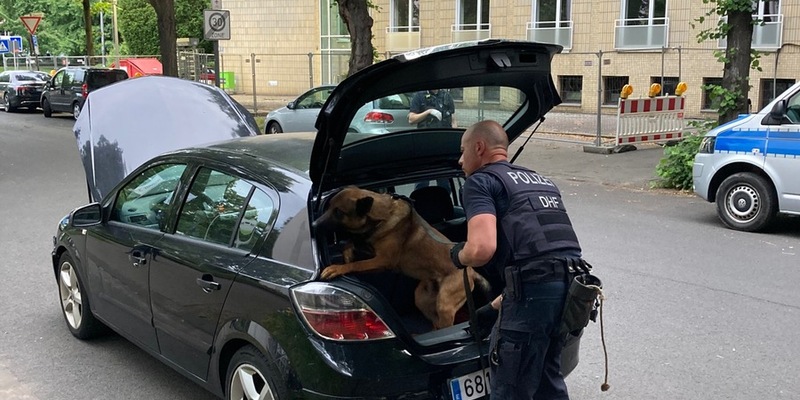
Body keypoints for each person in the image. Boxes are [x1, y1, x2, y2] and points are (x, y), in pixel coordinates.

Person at [449, 120, 583, 400]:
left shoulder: (480, 182)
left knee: (510, 389)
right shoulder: (540, 181)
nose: (460, 160)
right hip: (572, 290)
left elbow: (482, 248)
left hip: (535, 295)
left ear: (479, 147)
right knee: (548, 382)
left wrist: (458, 255)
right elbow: (544, 251)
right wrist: (502, 300)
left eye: (463, 151)